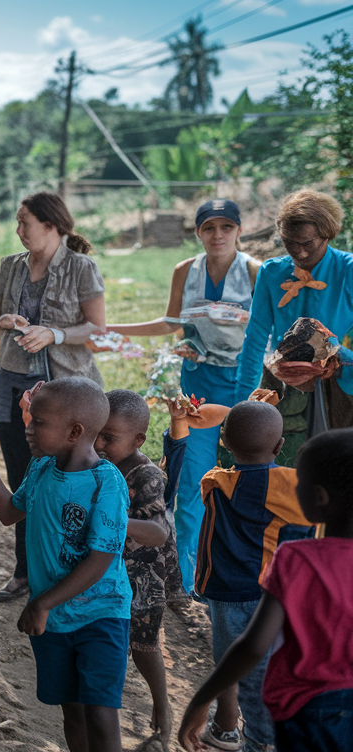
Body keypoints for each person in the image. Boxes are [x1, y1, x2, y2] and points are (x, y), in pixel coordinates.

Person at [0, 377, 130, 752]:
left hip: (101, 613)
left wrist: (41, 603)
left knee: (101, 713)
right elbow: (10, 512)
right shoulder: (40, 470)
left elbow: (101, 558)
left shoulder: (107, 484)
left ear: (75, 431)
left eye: (38, 422)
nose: (28, 428)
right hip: (56, 620)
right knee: (72, 711)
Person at [108, 199, 260, 597]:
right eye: (209, 228)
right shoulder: (185, 271)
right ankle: (190, 577)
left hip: (244, 385)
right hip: (199, 385)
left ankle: (246, 572)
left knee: (244, 478)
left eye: (226, 227)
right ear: (198, 233)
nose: (218, 235)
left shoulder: (253, 271)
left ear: (239, 231)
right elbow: (171, 323)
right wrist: (111, 328)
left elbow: (269, 332)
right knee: (191, 481)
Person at [178, 428, 353, 752]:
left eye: (298, 483)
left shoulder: (296, 559)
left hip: (308, 713)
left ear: (319, 498)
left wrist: (201, 700)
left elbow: (254, 647)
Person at [0, 192, 106, 603]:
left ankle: (74, 574)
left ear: (51, 226)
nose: (19, 231)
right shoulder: (10, 267)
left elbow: (97, 327)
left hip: (67, 392)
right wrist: (3, 322)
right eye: (18, 223)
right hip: (13, 387)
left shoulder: (81, 267)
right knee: (23, 481)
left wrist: (55, 333)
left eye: (25, 223)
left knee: (72, 481)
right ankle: (24, 572)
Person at [191, 401, 315, 752]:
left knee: (232, 662)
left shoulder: (216, 483)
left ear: (225, 444)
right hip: (276, 596)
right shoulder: (293, 484)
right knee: (271, 669)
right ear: (279, 447)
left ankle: (234, 731)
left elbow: (215, 476)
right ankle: (261, 736)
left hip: (228, 594)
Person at [235, 190, 353, 466]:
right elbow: (254, 340)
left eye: (307, 242)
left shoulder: (348, 269)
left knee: (335, 470)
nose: (299, 251)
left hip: (338, 383)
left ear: (327, 234)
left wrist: (337, 354)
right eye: (290, 242)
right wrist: (243, 406)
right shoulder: (272, 272)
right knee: (285, 469)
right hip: (284, 385)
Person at [95, 390, 181, 752]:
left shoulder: (146, 476)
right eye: (96, 433)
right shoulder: (96, 460)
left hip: (144, 572)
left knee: (143, 643)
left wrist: (112, 519)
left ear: (138, 440)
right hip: (109, 566)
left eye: (109, 438)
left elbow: (158, 532)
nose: (98, 443)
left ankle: (163, 709)